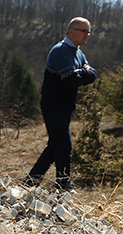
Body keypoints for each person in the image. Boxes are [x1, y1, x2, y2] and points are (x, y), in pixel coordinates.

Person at [24, 17, 97, 191]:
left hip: (65, 106)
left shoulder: (78, 53)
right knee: (64, 144)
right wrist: (83, 72)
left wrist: (83, 72)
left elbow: (93, 74)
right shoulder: (60, 51)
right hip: (53, 104)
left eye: (89, 31)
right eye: (84, 31)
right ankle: (63, 184)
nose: (88, 35)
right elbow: (70, 80)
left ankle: (30, 182)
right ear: (72, 31)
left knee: (54, 146)